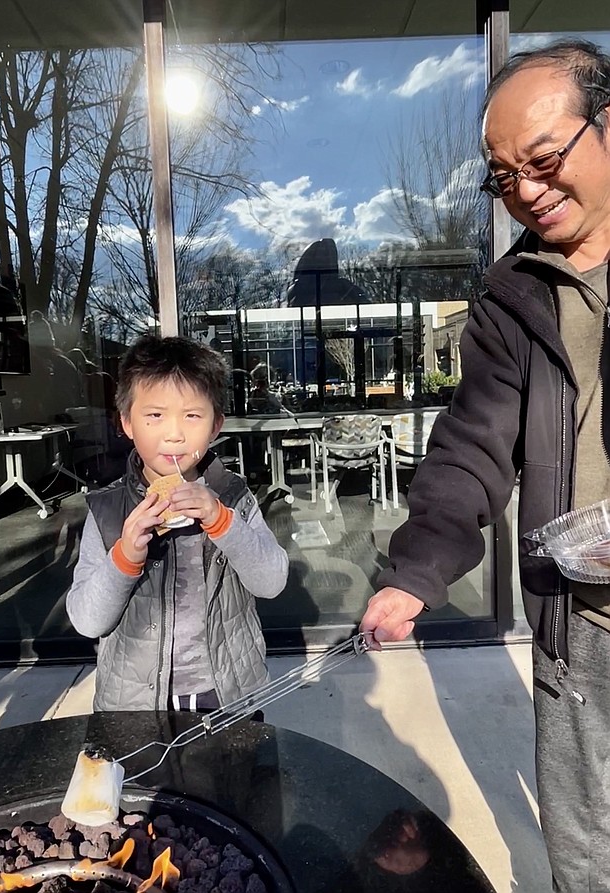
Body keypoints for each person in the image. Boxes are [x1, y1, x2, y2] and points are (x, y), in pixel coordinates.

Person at [360, 38, 610, 892]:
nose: (529, 193)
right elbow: (474, 442)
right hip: (578, 627)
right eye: (505, 178)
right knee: (587, 853)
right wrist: (417, 570)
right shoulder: (514, 295)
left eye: (544, 161)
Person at [66, 334, 289, 713]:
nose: (174, 434)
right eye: (155, 415)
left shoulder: (232, 496)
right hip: (134, 707)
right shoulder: (107, 511)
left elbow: (272, 582)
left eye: (192, 415)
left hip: (226, 694)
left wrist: (223, 521)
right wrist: (125, 554)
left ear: (215, 425)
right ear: (126, 423)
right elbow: (88, 621)